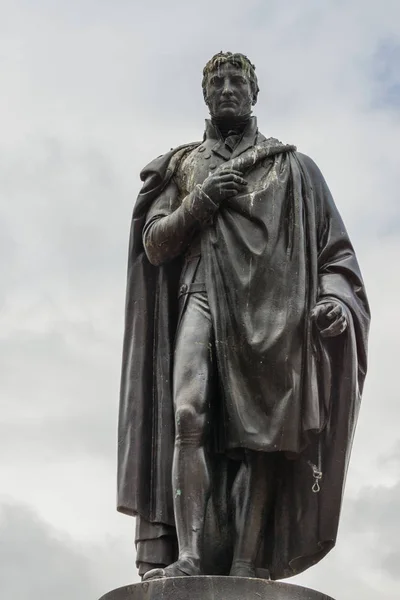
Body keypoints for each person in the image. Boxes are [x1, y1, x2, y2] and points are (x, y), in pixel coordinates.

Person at [117, 52, 370, 581]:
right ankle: (187, 554)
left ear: (255, 92)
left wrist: (334, 300)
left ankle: (247, 561)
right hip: (202, 296)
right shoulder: (182, 166)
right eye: (218, 80)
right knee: (187, 413)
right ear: (205, 94)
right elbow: (156, 245)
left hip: (272, 313)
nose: (228, 88)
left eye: (238, 80)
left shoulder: (293, 168)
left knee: (261, 436)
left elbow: (335, 255)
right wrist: (199, 203)